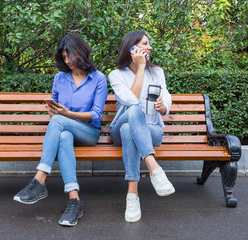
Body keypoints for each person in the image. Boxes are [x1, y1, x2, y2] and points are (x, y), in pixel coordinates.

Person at [13, 33, 108, 227]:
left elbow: (96, 115)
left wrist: (66, 114)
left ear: (80, 52)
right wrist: (53, 111)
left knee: (59, 121)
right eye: (63, 57)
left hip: (89, 132)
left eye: (69, 56)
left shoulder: (98, 78)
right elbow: (54, 114)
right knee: (63, 136)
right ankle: (75, 200)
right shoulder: (59, 78)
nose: (67, 61)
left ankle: (40, 179)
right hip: (65, 130)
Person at [108, 31, 175, 223]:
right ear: (132, 48)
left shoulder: (158, 72)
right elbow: (130, 100)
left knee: (130, 130)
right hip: (118, 128)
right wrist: (141, 68)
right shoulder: (116, 75)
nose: (150, 47)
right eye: (145, 43)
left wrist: (164, 106)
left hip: (151, 129)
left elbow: (167, 97)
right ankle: (154, 169)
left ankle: (132, 195)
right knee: (134, 112)